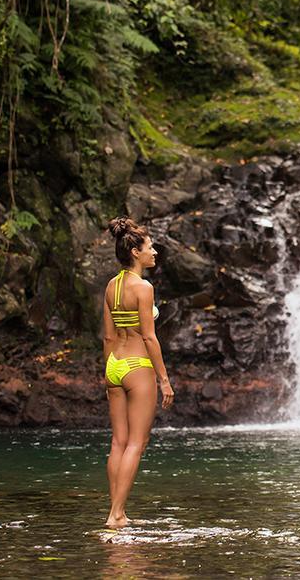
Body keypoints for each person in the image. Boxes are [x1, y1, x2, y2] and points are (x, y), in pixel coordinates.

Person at [102, 216, 173, 529]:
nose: (154, 251)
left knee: (118, 442)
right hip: (137, 366)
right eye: (149, 246)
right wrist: (165, 380)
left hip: (115, 366)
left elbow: (107, 336)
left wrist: (109, 372)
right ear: (135, 252)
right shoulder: (143, 288)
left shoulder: (111, 286)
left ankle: (118, 511)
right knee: (136, 444)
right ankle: (115, 515)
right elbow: (149, 337)